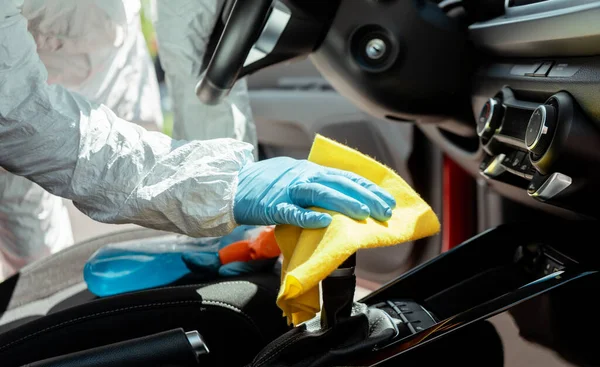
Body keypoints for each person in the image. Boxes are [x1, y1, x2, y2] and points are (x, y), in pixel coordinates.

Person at [0, 0, 396, 279]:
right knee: (45, 266)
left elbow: (195, 35)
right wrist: (221, 184)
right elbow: (17, 114)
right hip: (27, 119)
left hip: (109, 54)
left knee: (123, 241)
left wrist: (223, 224)